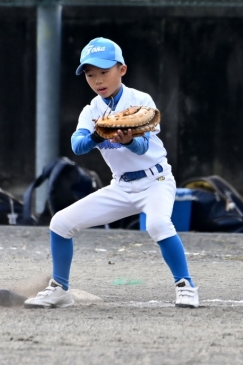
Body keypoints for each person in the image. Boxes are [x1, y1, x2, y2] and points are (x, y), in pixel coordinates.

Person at [24, 37, 199, 309]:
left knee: (157, 224)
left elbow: (142, 147)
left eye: (104, 72)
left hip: (156, 181)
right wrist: (99, 132)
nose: (98, 80)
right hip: (121, 187)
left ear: (122, 70)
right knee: (60, 223)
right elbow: (78, 146)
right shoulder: (92, 110)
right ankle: (59, 290)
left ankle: (185, 285)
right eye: (90, 74)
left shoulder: (140, 100)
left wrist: (128, 140)